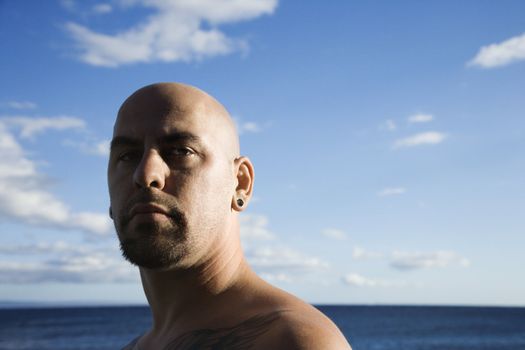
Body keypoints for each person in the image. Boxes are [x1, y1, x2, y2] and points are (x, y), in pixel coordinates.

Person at [108, 82, 352, 349]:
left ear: (240, 183)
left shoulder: (293, 341)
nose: (145, 175)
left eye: (180, 152)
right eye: (128, 156)